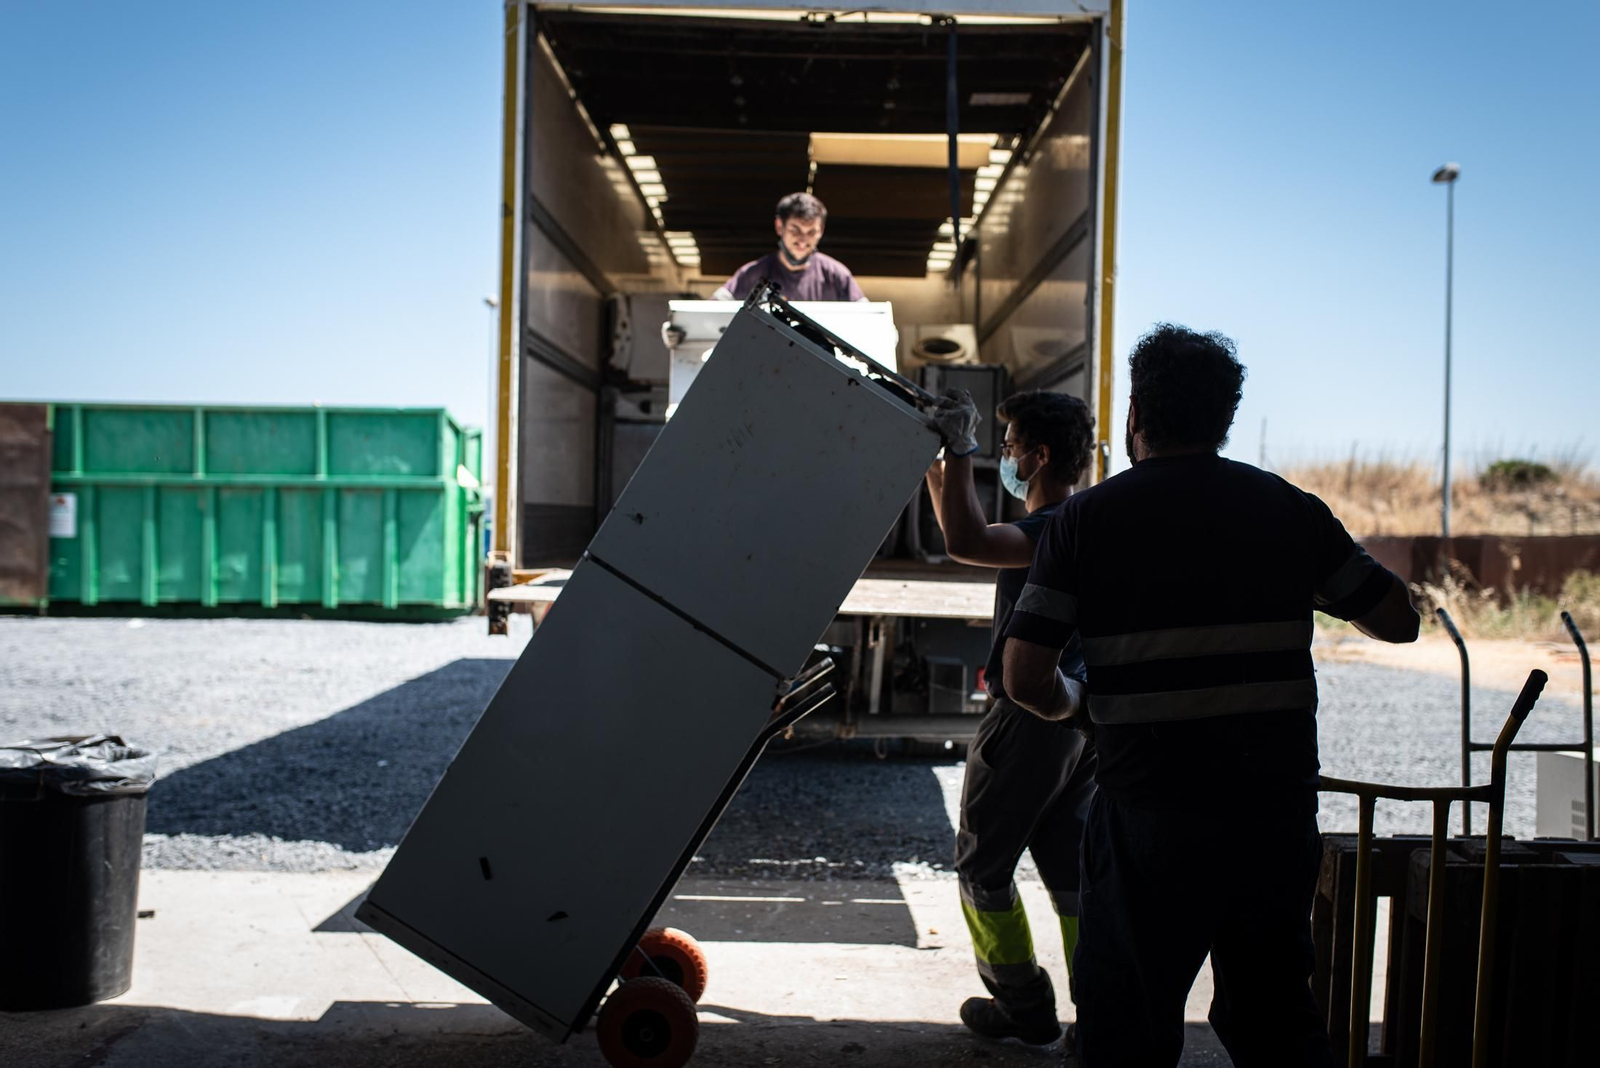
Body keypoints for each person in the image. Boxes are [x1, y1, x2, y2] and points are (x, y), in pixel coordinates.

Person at [996, 325, 1420, 1068]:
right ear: (1225, 416)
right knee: (1275, 1023)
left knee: (1127, 1031)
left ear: (1137, 413)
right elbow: (1398, 621)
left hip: (1145, 814)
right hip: (1270, 816)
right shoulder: (1290, 510)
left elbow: (1025, 677)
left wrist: (1082, 708)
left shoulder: (1086, 521)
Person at [924, 389, 1098, 1050]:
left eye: (1010, 447)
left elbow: (967, 541)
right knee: (1073, 875)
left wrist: (959, 449)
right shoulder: (1083, 523)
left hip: (1029, 718)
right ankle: (1099, 1011)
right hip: (1079, 724)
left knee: (983, 868)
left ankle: (1022, 1003)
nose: (1006, 458)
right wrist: (938, 463)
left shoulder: (1049, 529)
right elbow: (963, 530)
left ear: (1039, 456)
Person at [712, 192, 865, 303]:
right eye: (795, 230)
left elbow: (867, 317)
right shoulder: (752, 274)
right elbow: (712, 310)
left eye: (811, 232)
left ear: (821, 231)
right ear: (780, 227)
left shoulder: (837, 276)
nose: (803, 240)